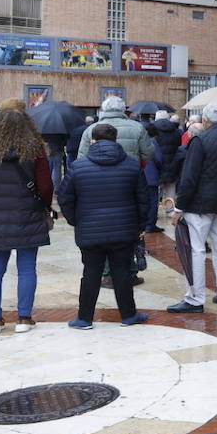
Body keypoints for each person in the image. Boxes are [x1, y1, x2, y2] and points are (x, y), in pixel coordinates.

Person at [0, 108, 53, 335]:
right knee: (26, 268)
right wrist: (43, 204)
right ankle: (24, 318)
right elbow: (45, 186)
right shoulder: (35, 151)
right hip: (28, 215)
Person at [58, 123, 153, 329]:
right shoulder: (131, 165)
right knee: (122, 271)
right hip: (124, 230)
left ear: (92, 140)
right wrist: (140, 224)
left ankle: (84, 318)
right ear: (115, 139)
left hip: (90, 230)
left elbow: (65, 197)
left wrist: (75, 220)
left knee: (91, 272)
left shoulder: (78, 167)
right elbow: (143, 198)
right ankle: (128, 315)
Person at [167, 101, 217, 313]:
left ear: (206, 120)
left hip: (200, 205)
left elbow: (189, 177)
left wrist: (179, 207)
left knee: (197, 250)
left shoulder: (200, 140)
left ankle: (195, 298)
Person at [77, 96, 154, 163]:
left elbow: (82, 156)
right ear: (123, 109)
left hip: (99, 174)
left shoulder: (90, 129)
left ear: (104, 109)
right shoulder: (138, 127)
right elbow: (148, 154)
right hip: (129, 173)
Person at [150, 109, 182, 205]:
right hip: (172, 163)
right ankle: (170, 209)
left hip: (157, 163)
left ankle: (156, 210)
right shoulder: (175, 130)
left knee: (156, 189)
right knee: (171, 188)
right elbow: (178, 145)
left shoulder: (152, 130)